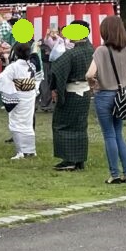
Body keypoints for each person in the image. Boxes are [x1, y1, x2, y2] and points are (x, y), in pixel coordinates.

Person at [86, 16, 126, 183]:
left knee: (109, 135)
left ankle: (114, 175)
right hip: (123, 94)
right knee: (119, 134)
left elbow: (90, 73)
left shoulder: (101, 50)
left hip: (105, 94)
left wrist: (92, 83)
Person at [49, 20, 94, 171]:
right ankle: (79, 159)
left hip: (72, 93)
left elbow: (56, 70)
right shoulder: (91, 50)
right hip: (85, 92)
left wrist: (55, 89)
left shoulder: (71, 53)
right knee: (80, 126)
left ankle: (69, 160)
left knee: (63, 124)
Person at [0, 41, 41, 160]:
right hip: (30, 95)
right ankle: (31, 150)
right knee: (27, 123)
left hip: (18, 95)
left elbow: (2, 79)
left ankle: (21, 151)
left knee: (16, 123)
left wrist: (10, 91)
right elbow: (38, 77)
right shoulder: (32, 65)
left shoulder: (13, 67)